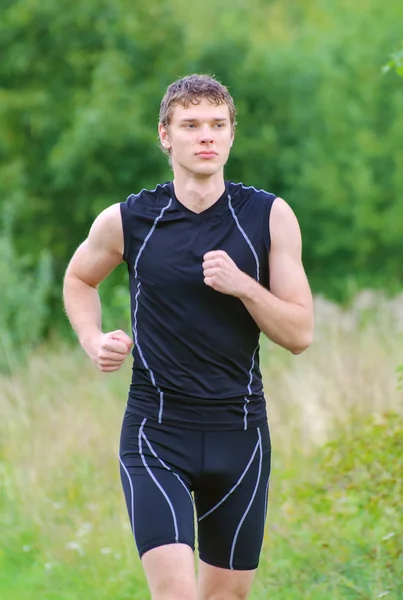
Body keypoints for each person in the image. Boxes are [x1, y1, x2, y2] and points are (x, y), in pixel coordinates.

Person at [63, 73, 314, 600]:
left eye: (217, 125)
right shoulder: (129, 220)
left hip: (240, 433)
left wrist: (245, 286)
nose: (206, 136)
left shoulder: (268, 217)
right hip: (157, 433)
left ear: (231, 135)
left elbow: (300, 333)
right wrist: (92, 340)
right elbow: (79, 278)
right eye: (191, 125)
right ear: (165, 135)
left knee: (226, 597)